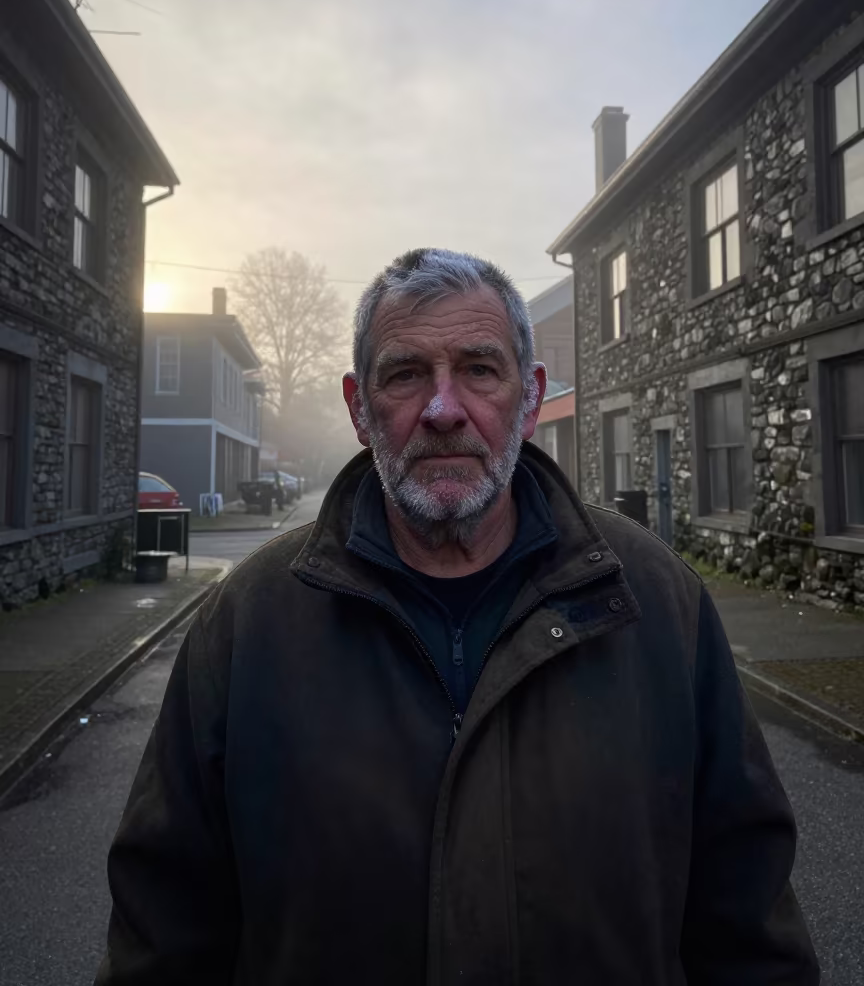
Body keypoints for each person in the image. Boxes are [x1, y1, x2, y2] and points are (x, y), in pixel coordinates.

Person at [96, 248, 819, 985]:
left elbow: (748, 925)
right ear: (357, 407)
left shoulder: (658, 603)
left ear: (530, 399)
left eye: (479, 369)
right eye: (406, 374)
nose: (443, 410)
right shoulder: (246, 627)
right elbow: (163, 936)